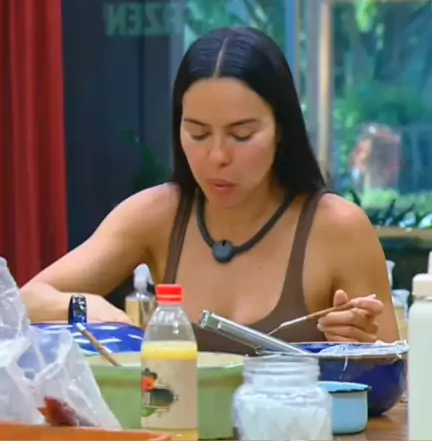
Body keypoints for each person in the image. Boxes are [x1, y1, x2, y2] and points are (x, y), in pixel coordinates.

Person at [21, 27, 399, 353]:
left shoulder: (337, 228)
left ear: (281, 130)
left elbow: (391, 380)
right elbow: (26, 299)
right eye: (198, 133)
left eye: (242, 135)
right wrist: (88, 310)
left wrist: (356, 348)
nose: (217, 156)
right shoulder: (158, 214)